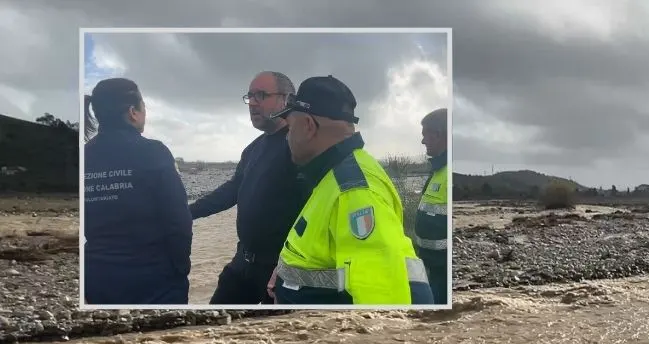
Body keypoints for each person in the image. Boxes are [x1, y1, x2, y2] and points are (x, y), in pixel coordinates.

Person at [265, 76, 432, 305]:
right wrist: (285, 275)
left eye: (290, 127)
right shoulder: (334, 175)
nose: (287, 137)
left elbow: (381, 300)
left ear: (308, 126)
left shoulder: (354, 191)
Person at [188, 71, 310, 304]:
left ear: (287, 99)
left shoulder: (298, 148)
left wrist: (293, 267)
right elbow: (232, 190)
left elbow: (315, 210)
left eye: (261, 95)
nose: (253, 103)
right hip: (243, 262)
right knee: (213, 322)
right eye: (250, 96)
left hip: (280, 269)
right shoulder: (253, 149)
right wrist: (187, 212)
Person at [82, 78, 192, 305]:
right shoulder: (153, 152)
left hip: (97, 275)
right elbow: (178, 220)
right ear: (133, 111)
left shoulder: (84, 155)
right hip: (153, 279)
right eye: (143, 106)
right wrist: (181, 267)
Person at [412, 108, 449, 305]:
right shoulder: (438, 169)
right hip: (432, 266)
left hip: (443, 269)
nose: (423, 141)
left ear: (439, 135)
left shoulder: (448, 172)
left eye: (426, 135)